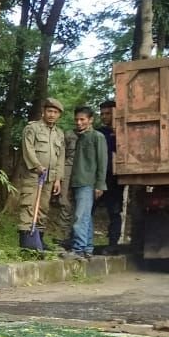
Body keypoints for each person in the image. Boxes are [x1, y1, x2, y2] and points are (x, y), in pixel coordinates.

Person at [16, 97, 66, 248]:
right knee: (29, 206)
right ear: (43, 112)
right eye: (49, 111)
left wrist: (58, 179)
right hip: (33, 175)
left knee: (43, 208)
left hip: (49, 178)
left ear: (59, 115)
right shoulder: (32, 128)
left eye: (55, 112)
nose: (52, 114)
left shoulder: (59, 133)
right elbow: (28, 149)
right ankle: (26, 243)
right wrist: (37, 166)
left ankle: (39, 240)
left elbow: (61, 157)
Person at [64, 105, 108, 260]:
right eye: (76, 119)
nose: (78, 122)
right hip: (76, 182)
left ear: (90, 120)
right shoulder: (77, 136)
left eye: (82, 119)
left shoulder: (97, 137)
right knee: (86, 217)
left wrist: (100, 185)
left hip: (88, 183)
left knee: (80, 217)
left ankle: (78, 249)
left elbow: (102, 163)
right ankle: (87, 248)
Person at [98, 99, 124, 250]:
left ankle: (113, 244)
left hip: (114, 178)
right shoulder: (99, 133)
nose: (104, 116)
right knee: (89, 208)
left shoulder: (124, 132)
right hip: (99, 177)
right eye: (102, 114)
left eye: (108, 113)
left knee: (114, 211)